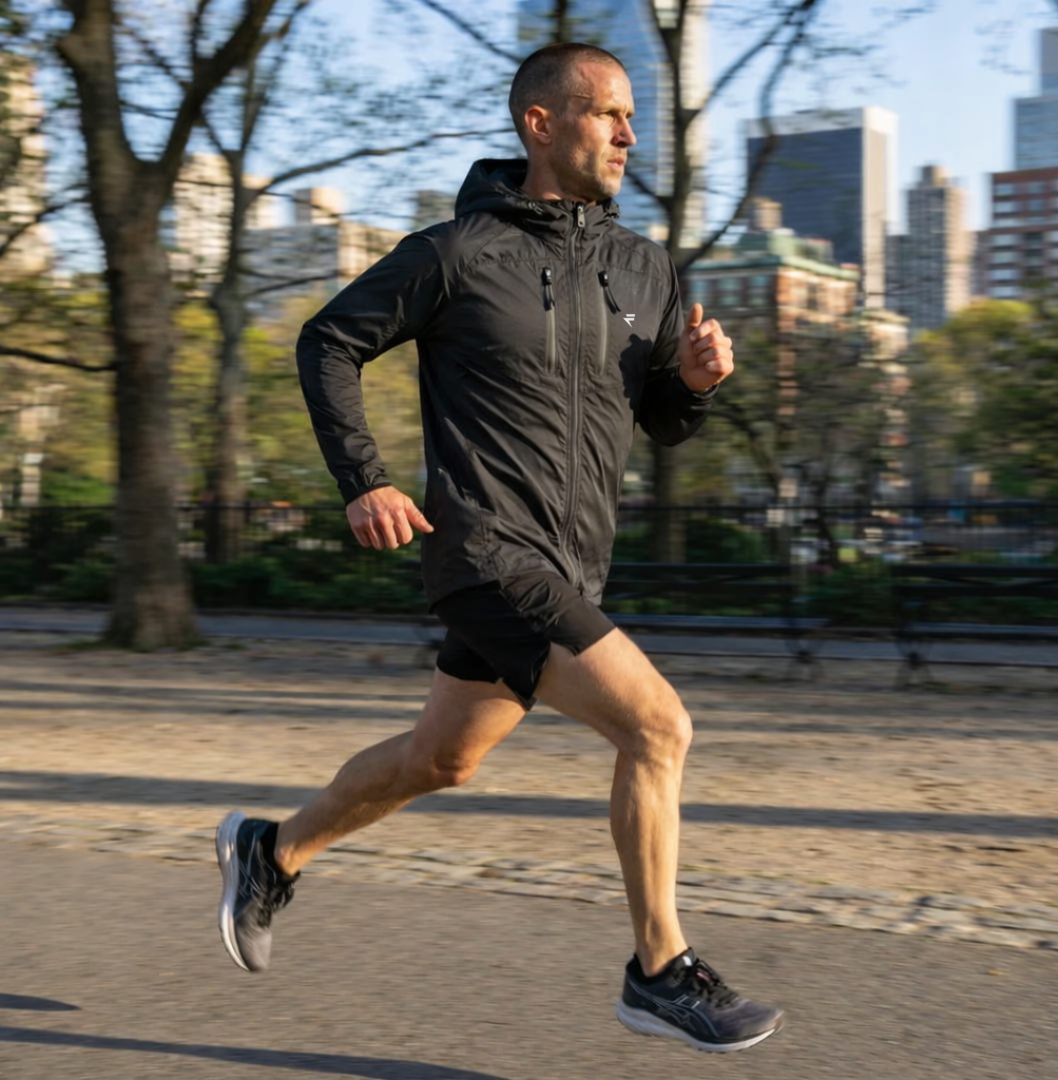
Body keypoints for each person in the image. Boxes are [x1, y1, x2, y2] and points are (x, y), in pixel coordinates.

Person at [215, 42, 783, 1055]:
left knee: (444, 759)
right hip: (487, 549)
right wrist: (367, 479)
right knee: (659, 729)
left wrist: (692, 384)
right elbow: (329, 341)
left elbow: (654, 418)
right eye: (605, 112)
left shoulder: (644, 268)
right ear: (539, 124)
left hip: (572, 564)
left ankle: (273, 850)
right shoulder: (457, 252)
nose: (627, 133)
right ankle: (660, 969)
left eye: (629, 116)